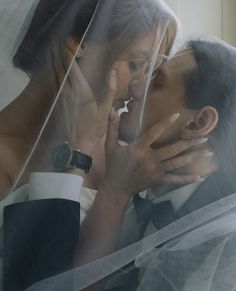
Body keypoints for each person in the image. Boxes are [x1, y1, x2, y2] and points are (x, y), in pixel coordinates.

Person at [1, 1, 191, 290]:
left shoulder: (123, 150)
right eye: (136, 64)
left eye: (150, 70)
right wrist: (78, 154)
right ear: (77, 48)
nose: (140, 87)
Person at [71, 39, 236, 291]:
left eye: (156, 84)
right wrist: (114, 191)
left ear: (199, 122)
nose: (136, 88)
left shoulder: (227, 242)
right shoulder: (136, 196)